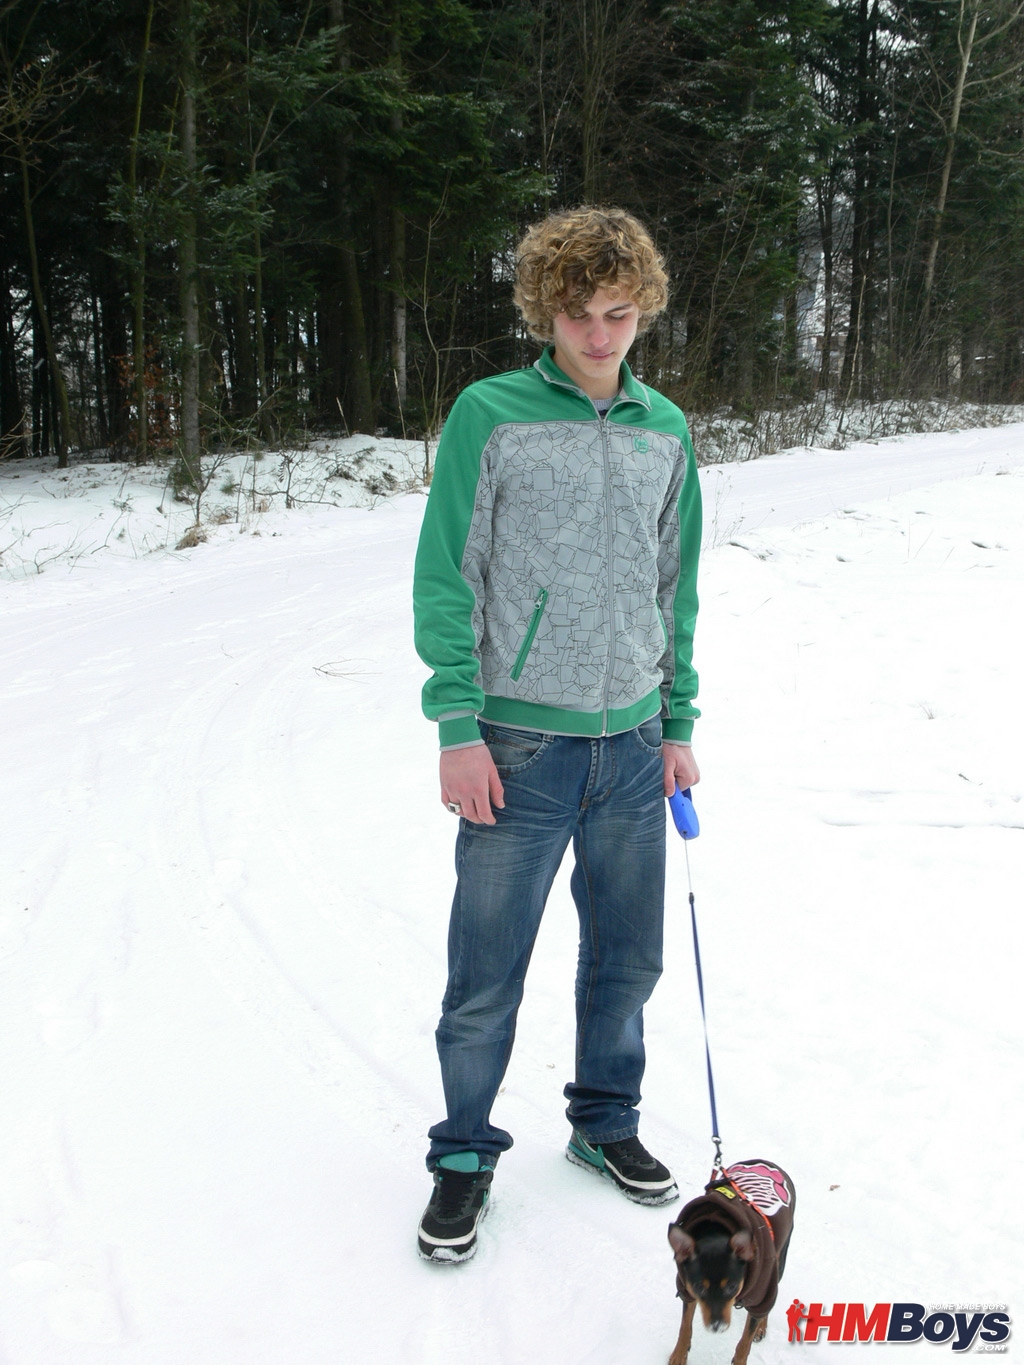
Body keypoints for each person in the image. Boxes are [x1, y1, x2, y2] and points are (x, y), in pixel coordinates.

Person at [412, 205, 701, 1263]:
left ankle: (605, 1122)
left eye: (617, 312)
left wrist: (675, 721)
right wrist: (457, 726)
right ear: (545, 310)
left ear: (643, 311)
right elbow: (448, 574)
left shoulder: (665, 429)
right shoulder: (489, 414)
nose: (597, 333)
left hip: (631, 749)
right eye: (578, 312)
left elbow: (676, 586)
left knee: (627, 961)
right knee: (486, 972)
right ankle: (462, 1153)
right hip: (517, 750)